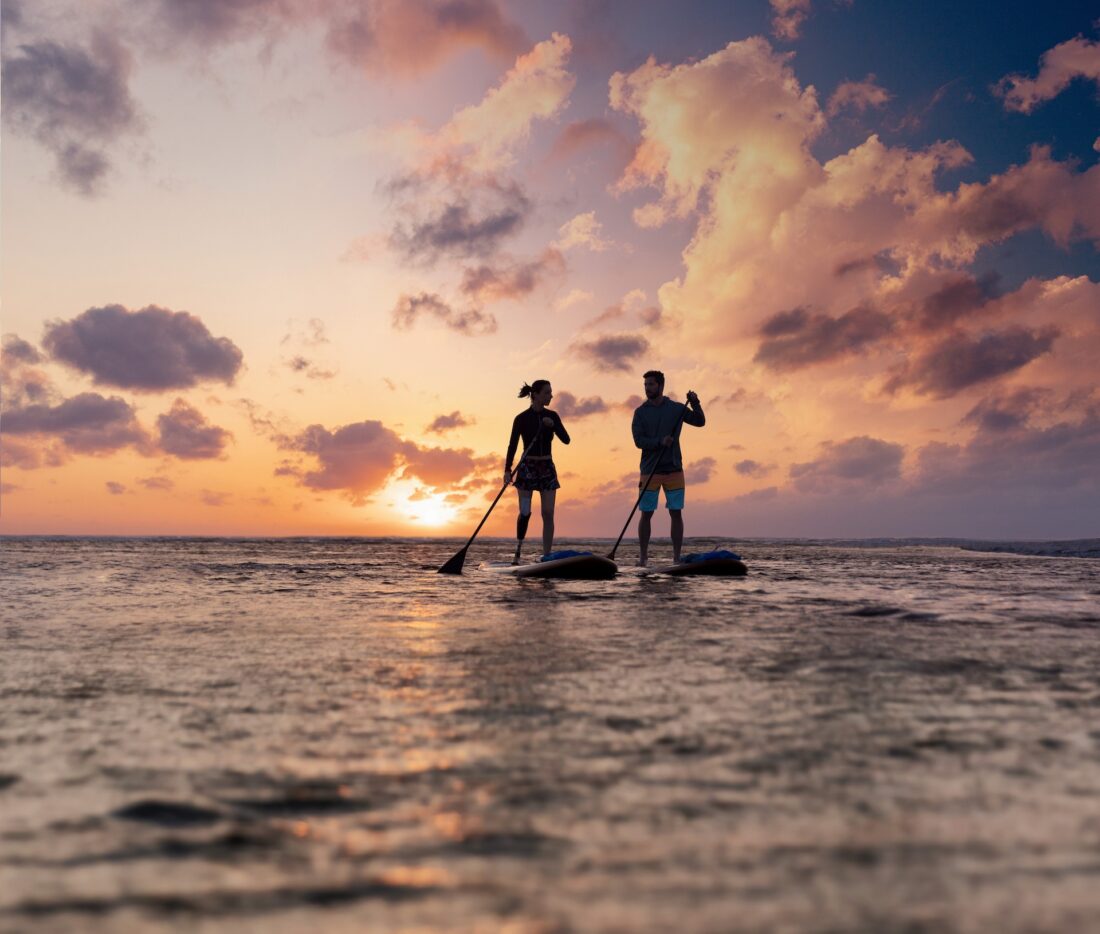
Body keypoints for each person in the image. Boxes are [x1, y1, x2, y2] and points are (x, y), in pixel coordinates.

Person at [631, 369, 705, 566]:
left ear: (661, 386)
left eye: (651, 384)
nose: (648, 388)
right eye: (646, 385)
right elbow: (639, 441)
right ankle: (643, 556)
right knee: (646, 513)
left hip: (673, 468)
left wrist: (695, 401)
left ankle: (676, 557)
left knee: (676, 512)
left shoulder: (676, 408)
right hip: (649, 470)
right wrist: (659, 441)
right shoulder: (640, 413)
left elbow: (700, 422)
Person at [504, 380, 570, 564]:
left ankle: (547, 555)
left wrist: (553, 426)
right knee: (525, 512)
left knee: (548, 513)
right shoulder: (521, 418)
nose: (551, 395)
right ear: (536, 395)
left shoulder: (553, 416)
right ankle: (518, 550)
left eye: (551, 392)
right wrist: (507, 470)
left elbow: (566, 440)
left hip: (547, 467)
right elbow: (512, 445)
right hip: (527, 468)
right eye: (548, 392)